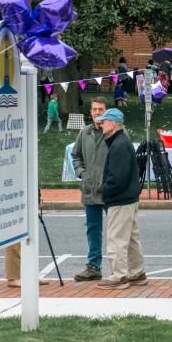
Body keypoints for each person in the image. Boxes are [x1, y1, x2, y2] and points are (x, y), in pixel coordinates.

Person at [95, 109, 146, 290]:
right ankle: (137, 273)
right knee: (131, 239)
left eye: (104, 121)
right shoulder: (122, 142)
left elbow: (117, 178)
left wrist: (104, 190)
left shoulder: (118, 145)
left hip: (120, 200)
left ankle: (119, 276)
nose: (101, 124)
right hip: (129, 198)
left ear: (113, 124)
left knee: (116, 239)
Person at [72, 97, 110, 281]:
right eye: (94, 109)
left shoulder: (115, 132)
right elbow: (76, 155)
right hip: (89, 189)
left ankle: (123, 267)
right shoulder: (84, 132)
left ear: (107, 111)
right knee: (93, 229)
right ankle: (94, 266)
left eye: (100, 109)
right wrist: (81, 173)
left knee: (119, 231)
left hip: (110, 190)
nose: (97, 113)